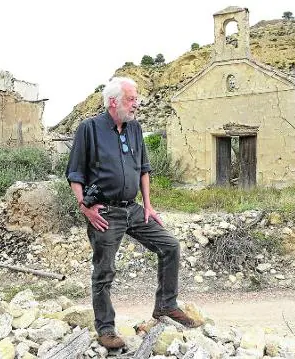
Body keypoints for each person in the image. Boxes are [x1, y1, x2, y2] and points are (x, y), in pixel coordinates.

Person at [65, 76, 200, 350]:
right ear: (113, 101)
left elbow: (144, 169)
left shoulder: (135, 128)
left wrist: (148, 205)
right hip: (105, 212)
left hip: (133, 208)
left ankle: (165, 305)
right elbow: (75, 174)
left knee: (170, 246)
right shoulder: (89, 129)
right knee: (104, 272)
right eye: (131, 99)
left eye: (135, 99)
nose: (136, 104)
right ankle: (105, 329)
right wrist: (85, 207)